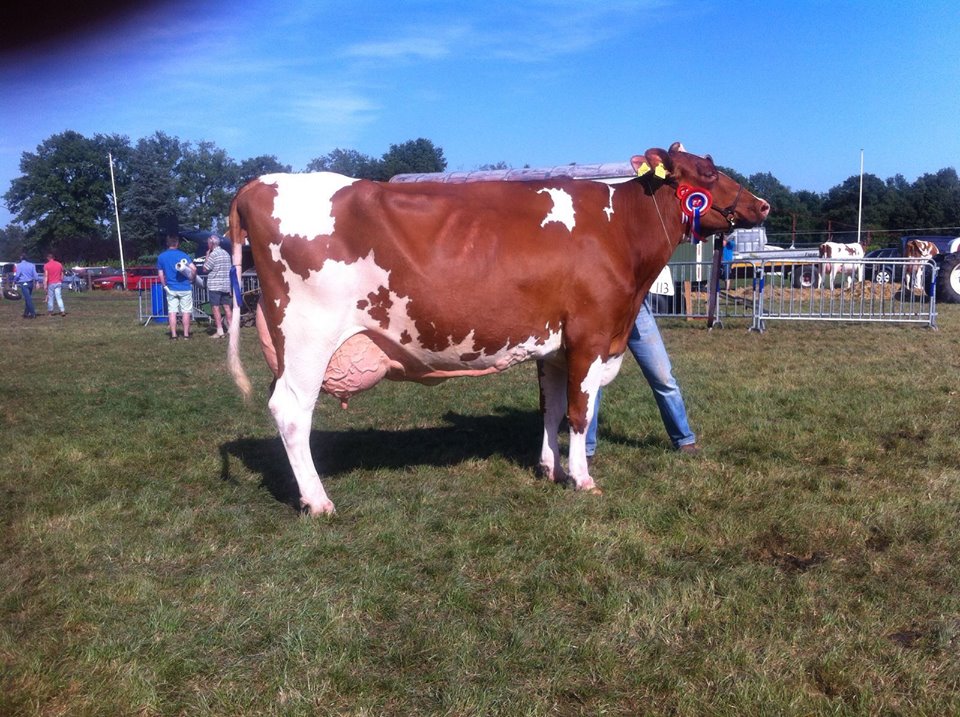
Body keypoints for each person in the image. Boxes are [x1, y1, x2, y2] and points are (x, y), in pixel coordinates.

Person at [585, 296, 699, 460]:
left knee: (663, 377)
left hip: (636, 308)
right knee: (594, 379)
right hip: (602, 307)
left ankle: (684, 439)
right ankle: (585, 449)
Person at [157, 236, 196, 339]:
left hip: (171, 288)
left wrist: (164, 286)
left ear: (167, 244)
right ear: (177, 244)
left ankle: (174, 335)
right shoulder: (183, 255)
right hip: (184, 287)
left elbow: (161, 274)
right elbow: (194, 268)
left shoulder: (161, 257)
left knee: (172, 312)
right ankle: (186, 335)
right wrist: (192, 278)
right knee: (186, 312)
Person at [203, 233, 233, 338]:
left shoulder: (213, 254)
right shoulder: (226, 253)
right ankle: (231, 329)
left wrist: (207, 255)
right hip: (226, 284)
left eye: (208, 243)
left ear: (211, 244)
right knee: (227, 307)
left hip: (215, 285)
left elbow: (205, 269)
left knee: (215, 308)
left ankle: (220, 331)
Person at [13, 254, 39, 319]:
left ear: (21, 258)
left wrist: (14, 281)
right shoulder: (32, 265)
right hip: (30, 283)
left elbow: (17, 275)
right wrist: (37, 282)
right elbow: (35, 274)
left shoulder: (19, 265)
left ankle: (33, 313)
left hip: (24, 283)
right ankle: (26, 313)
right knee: (28, 297)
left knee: (28, 299)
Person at [43, 252, 66, 316]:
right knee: (59, 297)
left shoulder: (46, 265)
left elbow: (46, 275)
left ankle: (50, 311)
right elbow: (62, 273)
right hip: (58, 282)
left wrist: (45, 284)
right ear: (54, 258)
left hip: (51, 283)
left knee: (51, 298)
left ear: (48, 258)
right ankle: (62, 311)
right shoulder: (59, 264)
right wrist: (61, 280)